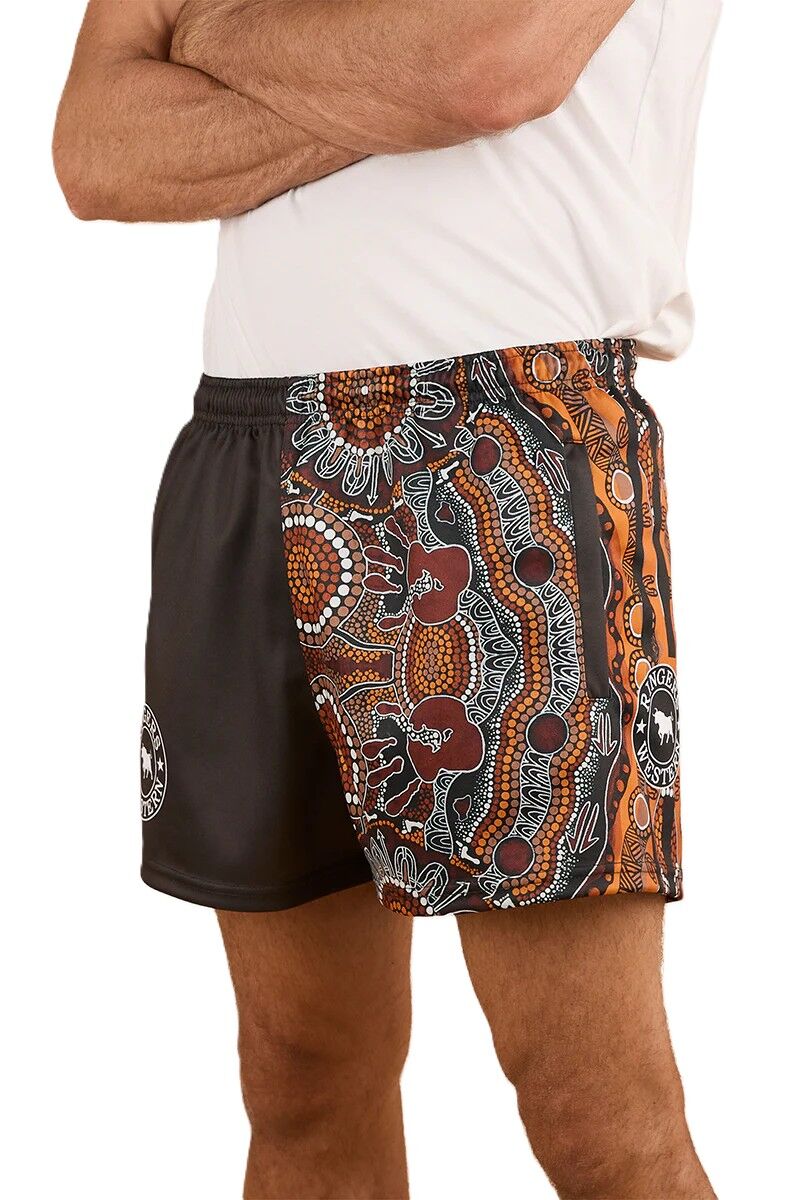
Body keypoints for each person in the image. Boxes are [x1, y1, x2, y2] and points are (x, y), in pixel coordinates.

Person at [53, 2, 720, 1197]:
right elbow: (98, 151)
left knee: (591, 1112)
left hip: (497, 441)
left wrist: (209, 35)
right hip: (241, 440)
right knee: (300, 1075)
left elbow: (484, 69)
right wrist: (390, 80)